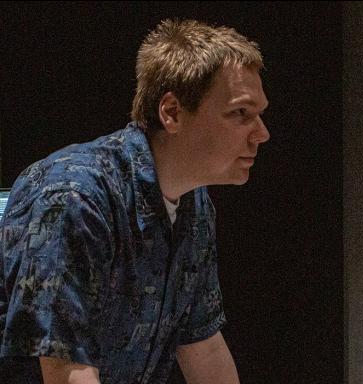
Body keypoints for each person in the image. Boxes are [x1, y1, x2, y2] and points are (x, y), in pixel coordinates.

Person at [0, 19, 270, 384]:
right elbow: (67, 372)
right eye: (241, 113)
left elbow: (203, 347)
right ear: (171, 112)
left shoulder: (195, 204)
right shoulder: (75, 196)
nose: (262, 133)